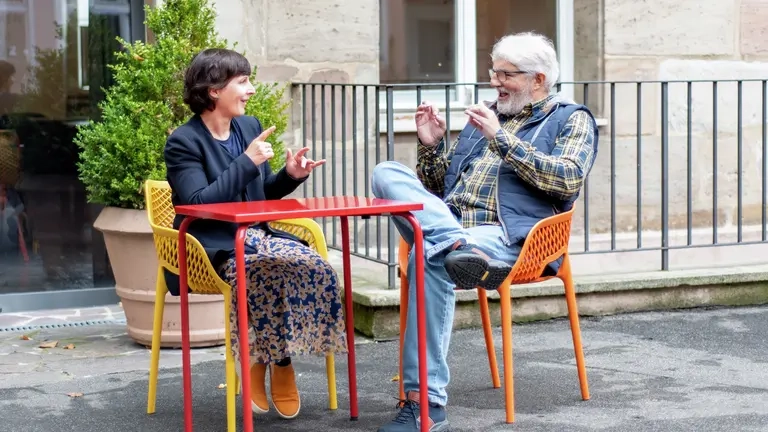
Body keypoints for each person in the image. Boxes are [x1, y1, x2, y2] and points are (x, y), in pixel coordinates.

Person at [371, 32, 599, 431]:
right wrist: (432, 145)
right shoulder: (486, 119)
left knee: (427, 256)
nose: (494, 82)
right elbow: (440, 193)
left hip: (512, 238)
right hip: (459, 230)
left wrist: (501, 138)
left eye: (505, 74)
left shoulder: (571, 118)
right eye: (493, 72)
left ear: (538, 79)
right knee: (386, 172)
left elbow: (566, 179)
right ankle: (453, 246)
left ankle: (425, 405)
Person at [163, 48, 347, 420]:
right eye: (243, 82)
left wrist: (291, 175)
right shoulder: (184, 142)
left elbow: (259, 196)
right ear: (214, 90)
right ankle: (279, 361)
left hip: (257, 234)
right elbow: (199, 202)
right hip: (212, 244)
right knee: (265, 269)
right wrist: (247, 161)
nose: (251, 90)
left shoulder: (249, 126)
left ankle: (266, 360)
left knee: (315, 266)